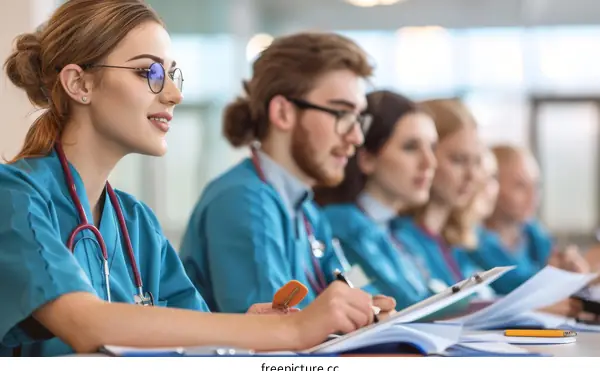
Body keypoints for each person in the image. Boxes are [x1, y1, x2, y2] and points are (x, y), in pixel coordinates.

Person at [0, 0, 386, 357]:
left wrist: (250, 329)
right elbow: (86, 324)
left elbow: (193, 334)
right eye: (148, 72)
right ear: (79, 84)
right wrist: (296, 330)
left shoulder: (137, 222)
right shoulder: (14, 195)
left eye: (171, 75)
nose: (173, 95)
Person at [178, 32, 396, 315]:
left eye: (358, 119)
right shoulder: (242, 201)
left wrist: (372, 308)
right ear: (283, 113)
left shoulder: (308, 212)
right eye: (342, 114)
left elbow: (353, 285)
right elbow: (276, 333)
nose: (356, 137)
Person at [313, 90, 439, 310]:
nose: (430, 162)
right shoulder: (339, 230)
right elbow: (378, 301)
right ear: (367, 158)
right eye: (410, 147)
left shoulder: (394, 230)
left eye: (432, 148)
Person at [470, 144, 589, 294]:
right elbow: (508, 284)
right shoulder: (472, 240)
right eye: (520, 186)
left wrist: (573, 269)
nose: (533, 196)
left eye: (536, 185)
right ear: (491, 186)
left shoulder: (534, 234)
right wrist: (553, 276)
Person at [392, 98, 483, 291]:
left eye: (476, 162)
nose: (472, 175)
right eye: (458, 160)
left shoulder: (451, 240)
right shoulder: (398, 235)